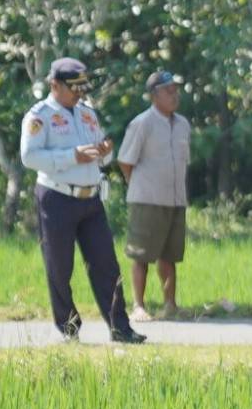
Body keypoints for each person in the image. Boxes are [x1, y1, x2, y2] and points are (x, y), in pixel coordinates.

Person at [19, 57, 146, 345]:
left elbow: (102, 152)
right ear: (54, 85)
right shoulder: (39, 116)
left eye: (82, 88)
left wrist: (105, 151)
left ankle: (120, 327)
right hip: (57, 197)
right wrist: (71, 156)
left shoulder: (87, 112)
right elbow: (29, 157)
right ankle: (69, 328)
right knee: (60, 267)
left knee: (106, 265)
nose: (79, 94)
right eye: (73, 88)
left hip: (91, 198)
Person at [117, 70, 191, 321]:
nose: (174, 95)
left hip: (175, 199)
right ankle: (138, 305)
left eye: (175, 90)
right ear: (154, 95)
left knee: (170, 255)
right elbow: (126, 161)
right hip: (146, 198)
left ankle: (170, 304)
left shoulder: (183, 124)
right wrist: (139, 185)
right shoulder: (142, 123)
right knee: (141, 255)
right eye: (168, 91)